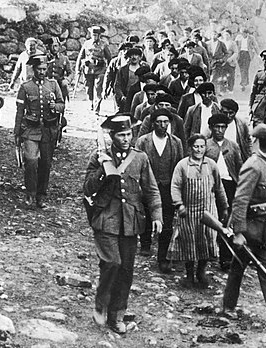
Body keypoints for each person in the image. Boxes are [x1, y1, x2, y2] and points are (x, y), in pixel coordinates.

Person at [84, 113, 163, 334]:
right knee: (112, 263)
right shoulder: (99, 156)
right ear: (112, 136)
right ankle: (101, 303)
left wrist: (157, 215)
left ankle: (117, 314)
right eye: (121, 135)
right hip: (106, 218)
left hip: (130, 220)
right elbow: (88, 189)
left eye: (129, 134)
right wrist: (102, 168)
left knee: (126, 269)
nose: (126, 138)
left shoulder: (140, 158)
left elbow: (151, 189)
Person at [222, 124, 266, 336]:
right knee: (238, 268)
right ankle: (228, 306)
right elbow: (240, 200)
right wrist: (239, 232)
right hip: (250, 232)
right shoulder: (253, 165)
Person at [167, 134, 228, 288]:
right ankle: (189, 274)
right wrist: (179, 204)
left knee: (207, 240)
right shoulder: (182, 166)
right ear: (190, 148)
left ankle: (201, 271)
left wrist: (224, 206)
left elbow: (219, 187)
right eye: (196, 146)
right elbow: (175, 186)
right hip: (188, 211)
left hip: (208, 210)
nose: (199, 149)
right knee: (189, 241)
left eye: (202, 146)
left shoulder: (211, 165)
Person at [135, 108, 184, 273]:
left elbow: (179, 168)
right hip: (148, 185)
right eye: (159, 122)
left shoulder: (176, 142)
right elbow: (136, 164)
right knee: (147, 215)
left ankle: (163, 257)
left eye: (165, 122)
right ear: (153, 123)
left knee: (167, 222)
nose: (162, 125)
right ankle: (146, 243)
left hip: (168, 187)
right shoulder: (143, 141)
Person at [14, 54, 65, 208]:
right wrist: (17, 133)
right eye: (39, 69)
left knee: (45, 164)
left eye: (44, 69)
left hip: (48, 130)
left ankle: (41, 196)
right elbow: (19, 111)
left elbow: (62, 104)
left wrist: (55, 107)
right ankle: (30, 194)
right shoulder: (25, 87)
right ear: (33, 69)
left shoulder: (54, 85)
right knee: (31, 161)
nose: (42, 72)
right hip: (30, 129)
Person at [205, 114, 243, 271]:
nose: (220, 130)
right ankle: (207, 253)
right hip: (209, 186)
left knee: (226, 219)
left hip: (228, 185)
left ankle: (226, 257)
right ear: (211, 128)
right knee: (209, 218)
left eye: (223, 127)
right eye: (216, 127)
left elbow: (239, 167)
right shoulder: (205, 145)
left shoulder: (232, 146)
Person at [75, 25, 112, 112]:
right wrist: (77, 70)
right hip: (88, 70)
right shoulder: (86, 43)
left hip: (100, 70)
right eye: (93, 35)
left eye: (96, 35)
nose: (94, 36)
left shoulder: (104, 45)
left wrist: (109, 71)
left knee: (98, 88)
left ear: (99, 35)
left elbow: (109, 58)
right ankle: (91, 102)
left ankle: (97, 106)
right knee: (88, 88)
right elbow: (80, 57)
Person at [103, 42, 131, 112]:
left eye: (128, 49)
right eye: (124, 50)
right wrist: (105, 89)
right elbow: (108, 76)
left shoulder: (134, 62)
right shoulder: (115, 62)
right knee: (119, 110)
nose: (126, 51)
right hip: (117, 88)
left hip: (130, 89)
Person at [44, 37, 73, 102]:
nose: (54, 48)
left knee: (60, 106)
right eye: (51, 46)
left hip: (60, 85)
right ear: (48, 47)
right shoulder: (44, 58)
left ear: (59, 46)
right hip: (47, 85)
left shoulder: (64, 59)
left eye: (56, 46)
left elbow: (71, 73)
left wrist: (67, 80)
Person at [207, 31, 229, 95]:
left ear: (217, 35)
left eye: (215, 34)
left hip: (217, 63)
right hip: (209, 63)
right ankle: (214, 91)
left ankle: (213, 92)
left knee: (214, 78)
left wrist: (223, 60)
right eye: (212, 34)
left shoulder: (221, 44)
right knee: (209, 77)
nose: (213, 36)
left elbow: (226, 53)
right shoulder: (207, 44)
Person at [221, 30, 239, 94]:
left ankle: (230, 89)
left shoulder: (232, 43)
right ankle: (223, 89)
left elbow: (236, 53)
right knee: (222, 75)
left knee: (231, 76)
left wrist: (231, 58)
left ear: (230, 36)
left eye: (227, 35)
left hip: (231, 62)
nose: (226, 36)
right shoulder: (221, 42)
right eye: (225, 35)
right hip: (223, 62)